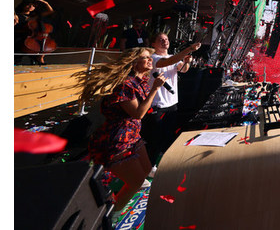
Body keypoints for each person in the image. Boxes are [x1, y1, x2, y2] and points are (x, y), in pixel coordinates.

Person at [73, 47, 167, 212]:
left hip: (133, 135)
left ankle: (115, 203)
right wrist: (155, 89)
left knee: (145, 170)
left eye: (149, 57)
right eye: (146, 57)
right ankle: (111, 216)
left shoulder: (140, 81)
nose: (150, 60)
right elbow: (138, 113)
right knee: (136, 182)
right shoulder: (125, 85)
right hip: (118, 138)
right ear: (134, 63)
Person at [142, 33, 201, 169]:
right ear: (153, 44)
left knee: (167, 137)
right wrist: (189, 49)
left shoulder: (172, 57)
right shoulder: (154, 58)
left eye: (167, 39)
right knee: (154, 139)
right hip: (158, 105)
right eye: (161, 40)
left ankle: (161, 163)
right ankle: (149, 168)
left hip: (172, 105)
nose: (165, 42)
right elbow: (168, 62)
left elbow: (183, 70)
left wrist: (187, 62)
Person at [15, 0, 55, 65]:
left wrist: (46, 3)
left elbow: (50, 11)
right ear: (24, 5)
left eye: (33, 6)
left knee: (38, 48)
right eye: (28, 5)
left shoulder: (34, 16)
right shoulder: (17, 16)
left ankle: (40, 58)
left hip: (31, 38)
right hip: (20, 37)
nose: (31, 7)